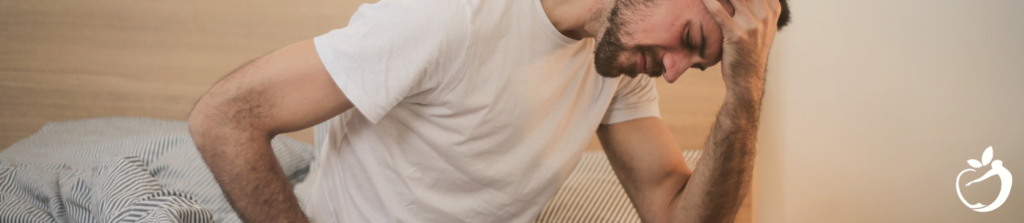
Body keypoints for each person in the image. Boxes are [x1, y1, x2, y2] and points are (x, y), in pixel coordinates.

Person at [187, 0, 791, 221]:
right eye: (688, 37)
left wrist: (745, 92)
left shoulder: (618, 61)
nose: (674, 70)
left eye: (701, 66)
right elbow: (225, 116)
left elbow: (677, 217)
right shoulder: (449, 16)